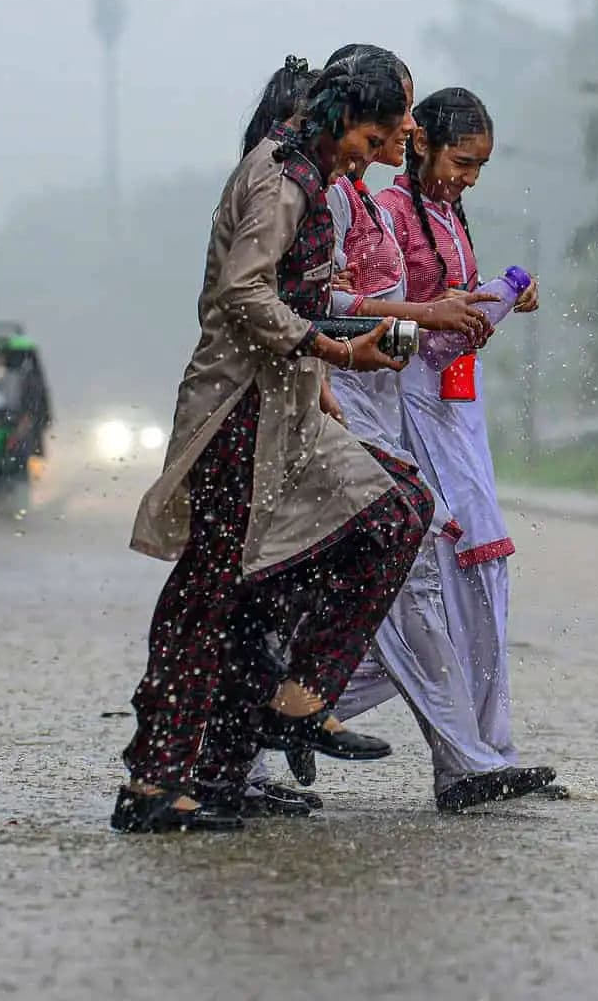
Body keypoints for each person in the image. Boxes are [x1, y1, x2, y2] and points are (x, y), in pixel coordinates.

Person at [114, 49, 433, 834]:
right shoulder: (282, 177)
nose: (384, 147)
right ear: (340, 119)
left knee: (395, 511)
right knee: (210, 595)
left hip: (286, 409)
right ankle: (157, 781)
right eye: (378, 132)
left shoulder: (316, 178)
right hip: (236, 416)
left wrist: (325, 370)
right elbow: (243, 292)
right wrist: (334, 353)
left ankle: (289, 708)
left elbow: (297, 294)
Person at [381, 87, 543, 774]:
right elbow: (380, 313)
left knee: (481, 571)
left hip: (456, 410)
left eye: (480, 166)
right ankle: (471, 756)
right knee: (438, 582)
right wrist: (434, 314)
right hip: (406, 405)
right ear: (418, 143)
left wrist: (498, 300)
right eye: (462, 160)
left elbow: (445, 311)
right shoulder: (386, 214)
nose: (469, 176)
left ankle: (485, 749)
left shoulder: (448, 214)